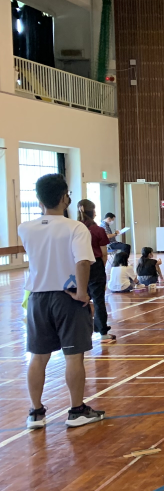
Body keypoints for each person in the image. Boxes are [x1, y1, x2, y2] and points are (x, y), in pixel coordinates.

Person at [18, 174, 104, 429]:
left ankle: (35, 413)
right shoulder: (75, 228)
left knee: (38, 356)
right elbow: (82, 262)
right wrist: (82, 294)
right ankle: (77, 410)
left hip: (37, 298)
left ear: (38, 198)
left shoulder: (25, 228)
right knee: (73, 356)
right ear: (65, 197)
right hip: (67, 296)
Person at [78, 200, 112, 341]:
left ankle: (80, 332)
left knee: (79, 299)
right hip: (95, 265)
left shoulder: (74, 229)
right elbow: (104, 253)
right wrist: (101, 267)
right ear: (92, 212)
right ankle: (103, 332)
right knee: (98, 300)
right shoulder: (98, 230)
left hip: (78, 265)